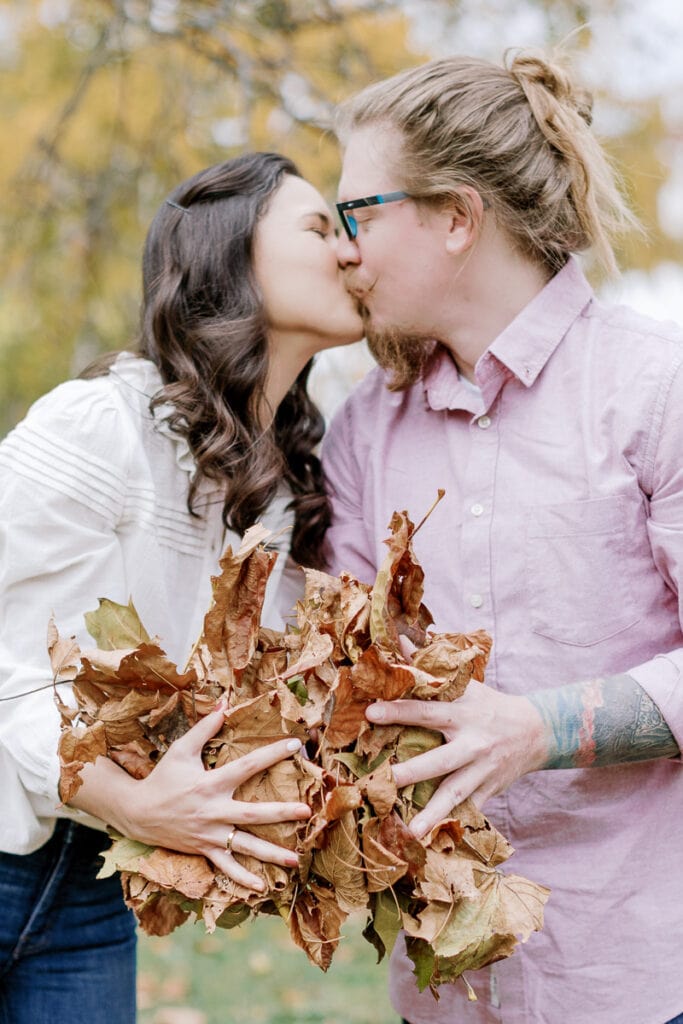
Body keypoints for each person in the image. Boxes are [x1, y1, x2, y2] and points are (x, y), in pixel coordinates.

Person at [323, 51, 683, 1024]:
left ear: (454, 216)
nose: (341, 247)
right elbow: (346, 674)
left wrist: (536, 729)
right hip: (440, 986)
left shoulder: (655, 388)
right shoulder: (363, 427)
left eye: (359, 212)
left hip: (634, 978)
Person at [0, 151, 363, 1023]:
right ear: (229, 255)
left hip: (87, 883)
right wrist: (137, 803)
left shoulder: (274, 490)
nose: (351, 253)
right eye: (319, 228)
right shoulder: (102, 425)